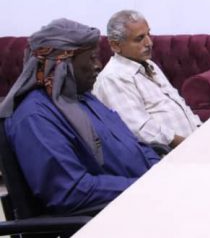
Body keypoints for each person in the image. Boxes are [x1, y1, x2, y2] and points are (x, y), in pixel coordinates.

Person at [0, 19, 159, 214]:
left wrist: (161, 172)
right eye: (91, 58)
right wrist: (144, 187)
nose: (98, 65)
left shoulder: (84, 97)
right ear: (62, 64)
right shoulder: (35, 117)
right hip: (112, 214)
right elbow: (71, 191)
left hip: (144, 196)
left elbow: (135, 145)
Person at [93, 10, 201, 149]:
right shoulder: (113, 78)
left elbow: (178, 103)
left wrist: (201, 132)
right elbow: (140, 129)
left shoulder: (148, 64)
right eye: (139, 39)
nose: (149, 43)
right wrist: (190, 146)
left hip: (192, 145)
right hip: (169, 154)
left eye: (148, 34)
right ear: (115, 45)